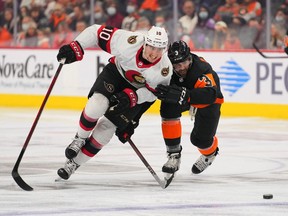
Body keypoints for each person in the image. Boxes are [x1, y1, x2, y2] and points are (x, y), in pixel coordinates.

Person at [56, 24, 172, 180]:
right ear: (145, 43)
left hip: (137, 92)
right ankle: (79, 139)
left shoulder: (164, 69)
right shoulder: (128, 42)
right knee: (97, 104)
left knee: (106, 130)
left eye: (159, 49)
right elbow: (95, 32)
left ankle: (73, 164)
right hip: (115, 74)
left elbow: (153, 94)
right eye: (152, 47)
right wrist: (77, 46)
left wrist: (133, 97)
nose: (154, 53)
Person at [154, 40, 224, 175]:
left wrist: (186, 96)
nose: (180, 68)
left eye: (183, 63)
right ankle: (174, 155)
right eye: (176, 65)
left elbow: (211, 95)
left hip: (208, 100)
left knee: (200, 140)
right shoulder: (166, 68)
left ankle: (210, 154)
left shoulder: (202, 69)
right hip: (186, 96)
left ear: (189, 58)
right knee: (168, 107)